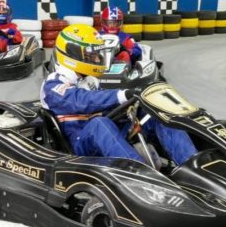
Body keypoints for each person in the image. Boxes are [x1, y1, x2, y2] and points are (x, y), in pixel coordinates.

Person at [40, 24, 197, 167]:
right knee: (99, 124)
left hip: (106, 135)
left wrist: (135, 105)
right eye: (92, 55)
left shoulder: (89, 80)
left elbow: (104, 107)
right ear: (73, 55)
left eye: (97, 54)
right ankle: (142, 176)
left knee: (153, 113)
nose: (97, 59)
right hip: (80, 145)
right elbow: (81, 101)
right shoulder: (54, 82)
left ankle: (191, 165)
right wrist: (121, 95)